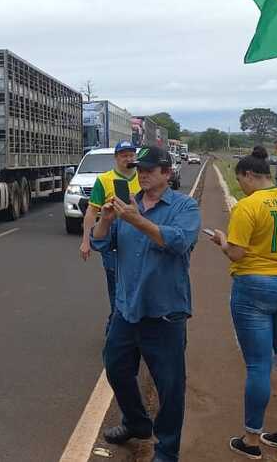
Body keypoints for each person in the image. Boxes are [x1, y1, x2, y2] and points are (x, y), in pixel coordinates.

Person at [91, 146, 201, 462]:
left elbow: (179, 242)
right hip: (127, 308)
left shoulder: (184, 206)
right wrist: (107, 218)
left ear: (167, 173)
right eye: (140, 169)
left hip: (164, 312)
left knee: (170, 387)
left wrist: (136, 220)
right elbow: (101, 242)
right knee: (115, 367)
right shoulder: (129, 205)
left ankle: (167, 449)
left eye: (151, 169)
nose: (143, 174)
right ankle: (136, 421)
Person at [207, 146, 277, 459]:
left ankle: (251, 438)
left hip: (254, 286)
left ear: (249, 175)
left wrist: (221, 240)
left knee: (259, 365)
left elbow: (236, 253)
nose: (242, 186)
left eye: (241, 180)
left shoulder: (247, 207)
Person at [79, 141, 140, 325]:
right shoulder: (104, 180)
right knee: (116, 285)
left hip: (139, 237)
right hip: (112, 238)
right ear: (116, 158)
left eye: (131, 155)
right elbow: (92, 211)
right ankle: (116, 324)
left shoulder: (144, 177)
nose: (128, 159)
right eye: (124, 155)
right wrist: (85, 241)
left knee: (138, 284)